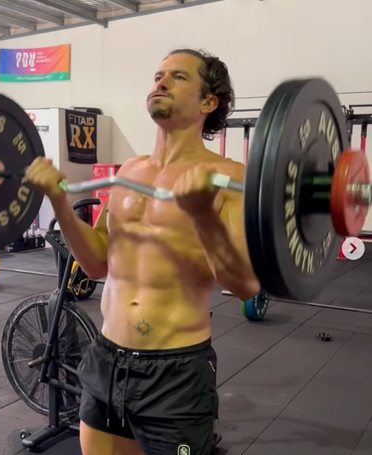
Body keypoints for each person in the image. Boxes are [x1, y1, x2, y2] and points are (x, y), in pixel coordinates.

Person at [26, 48, 260, 455]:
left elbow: (243, 284)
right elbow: (97, 262)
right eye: (157, 75)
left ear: (209, 102)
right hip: (105, 357)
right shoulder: (130, 172)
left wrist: (203, 216)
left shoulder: (229, 178)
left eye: (178, 77)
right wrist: (61, 204)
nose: (160, 82)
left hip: (175, 371)